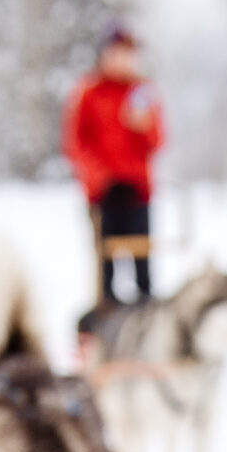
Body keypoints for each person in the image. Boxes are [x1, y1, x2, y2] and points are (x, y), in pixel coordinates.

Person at [62, 26, 164, 329]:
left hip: (137, 192)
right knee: (105, 266)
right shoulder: (89, 91)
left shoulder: (142, 92)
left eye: (129, 55)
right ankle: (106, 325)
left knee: (142, 262)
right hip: (103, 195)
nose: (123, 61)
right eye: (117, 54)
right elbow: (76, 143)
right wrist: (101, 178)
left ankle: (146, 324)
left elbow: (157, 141)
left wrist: (143, 125)